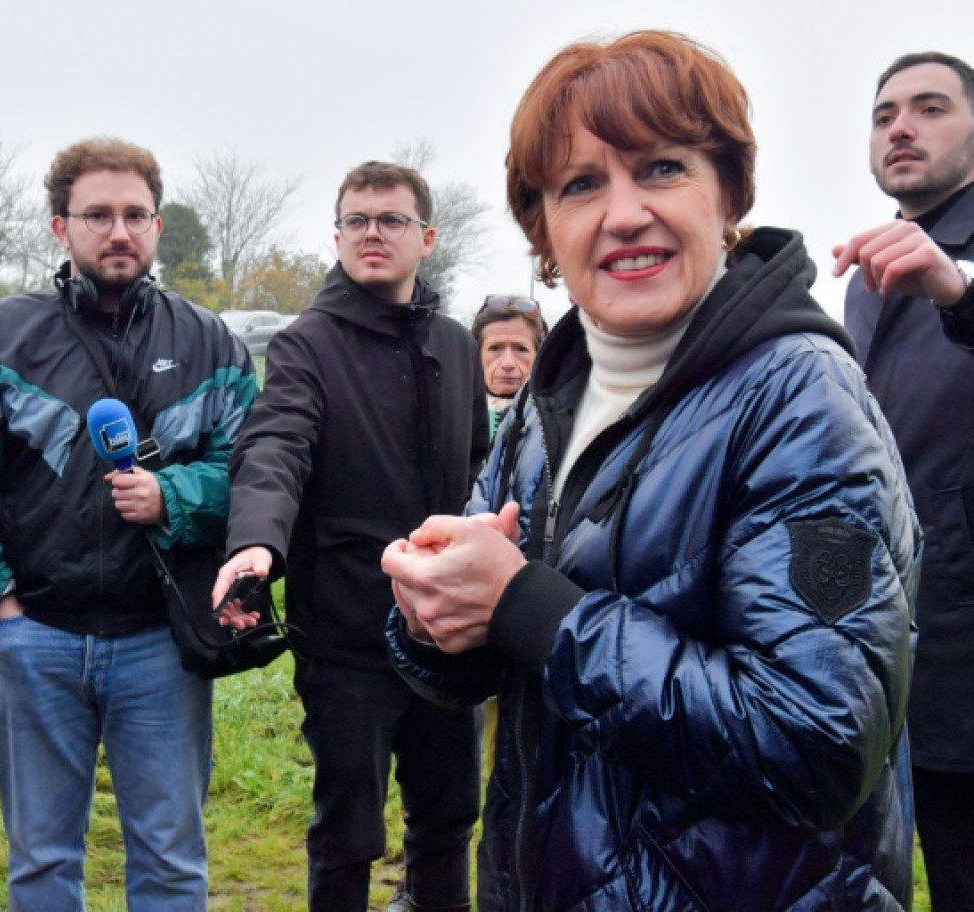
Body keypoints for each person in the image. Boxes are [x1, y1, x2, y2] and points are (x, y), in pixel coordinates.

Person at [383, 31, 918, 911]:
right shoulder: (545, 400)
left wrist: (526, 609)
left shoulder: (802, 403)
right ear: (544, 230)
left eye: (662, 168)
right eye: (581, 184)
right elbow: (494, 655)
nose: (623, 212)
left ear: (730, 194)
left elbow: (822, 745)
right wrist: (432, 617)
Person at [0, 136, 258, 911]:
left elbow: (254, 471)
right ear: (59, 227)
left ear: (158, 227)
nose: (119, 231)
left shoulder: (209, 342)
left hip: (159, 644)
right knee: (41, 862)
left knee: (172, 860)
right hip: (35, 636)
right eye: (98, 214)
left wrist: (174, 497)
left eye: (136, 214)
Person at [215, 161, 489, 912]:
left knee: (449, 816)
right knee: (348, 832)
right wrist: (256, 542)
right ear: (337, 236)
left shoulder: (457, 345)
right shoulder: (308, 344)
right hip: (346, 633)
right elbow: (276, 447)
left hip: (450, 631)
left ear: (426, 237)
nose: (373, 233)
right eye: (357, 221)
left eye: (391, 219)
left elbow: (478, 469)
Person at [833, 51, 974, 912]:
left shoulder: (943, 270)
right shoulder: (868, 280)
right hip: (889, 648)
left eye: (930, 108)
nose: (902, 128)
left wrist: (959, 293)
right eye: (885, 115)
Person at [470, 295, 546, 435]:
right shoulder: (452, 419)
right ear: (476, 354)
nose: (508, 364)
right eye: (495, 348)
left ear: (539, 356)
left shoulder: (555, 426)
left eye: (521, 349)